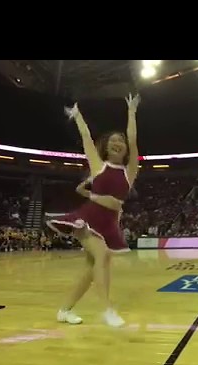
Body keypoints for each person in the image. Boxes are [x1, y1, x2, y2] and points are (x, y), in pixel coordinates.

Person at [47, 94, 141, 326]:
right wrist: (78, 116)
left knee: (91, 269)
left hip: (109, 225)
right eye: (113, 141)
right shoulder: (98, 166)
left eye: (121, 141)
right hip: (88, 219)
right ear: (107, 147)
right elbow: (87, 137)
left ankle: (64, 310)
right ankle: (108, 310)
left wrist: (131, 113)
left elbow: (133, 137)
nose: (117, 142)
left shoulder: (130, 172)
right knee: (103, 256)